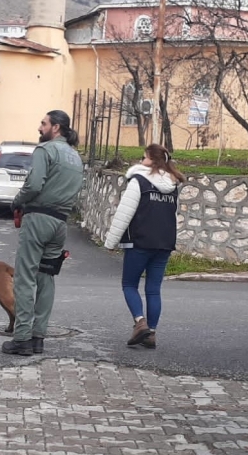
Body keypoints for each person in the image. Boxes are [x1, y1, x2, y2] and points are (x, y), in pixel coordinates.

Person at [2, 110, 84, 356]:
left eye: (43, 123)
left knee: (25, 278)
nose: (40, 127)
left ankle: (22, 338)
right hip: (60, 223)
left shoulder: (45, 151)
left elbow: (34, 185)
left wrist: (16, 201)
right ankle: (38, 337)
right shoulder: (76, 158)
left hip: (38, 218)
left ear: (56, 127)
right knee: (46, 278)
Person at [103, 144, 185, 349]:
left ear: (152, 161)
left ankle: (140, 323)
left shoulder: (138, 181)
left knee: (129, 284)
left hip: (139, 241)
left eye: (144, 158)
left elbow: (124, 214)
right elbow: (174, 214)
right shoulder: (173, 185)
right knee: (154, 289)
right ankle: (152, 333)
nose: (141, 161)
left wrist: (111, 242)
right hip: (164, 243)